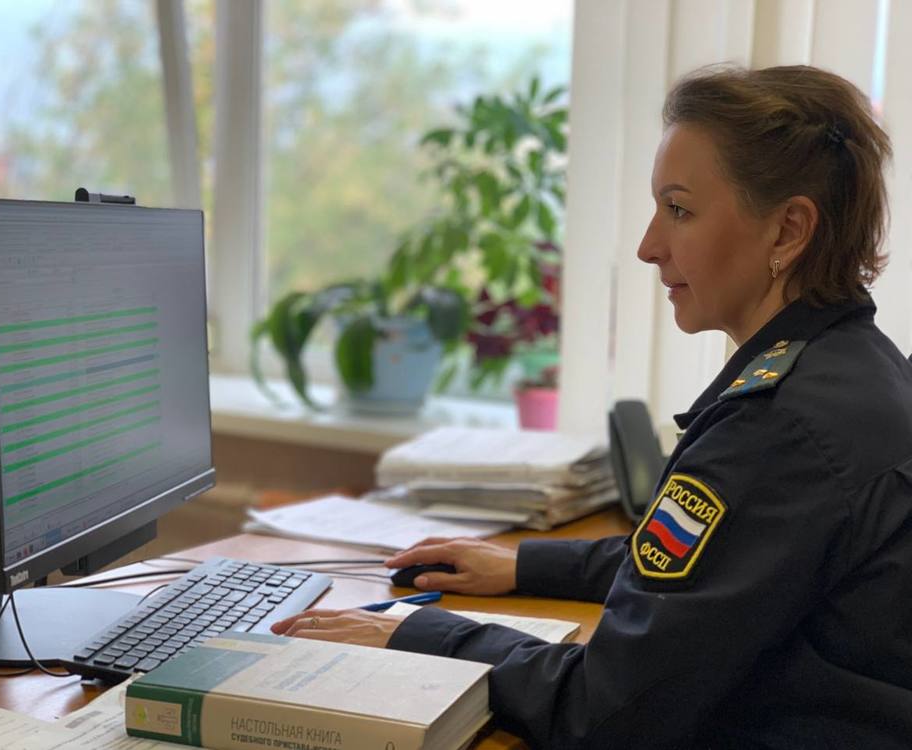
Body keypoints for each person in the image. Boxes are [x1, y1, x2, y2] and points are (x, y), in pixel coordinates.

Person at [273, 65, 912, 748]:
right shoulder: (859, 369)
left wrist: (421, 633)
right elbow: (725, 568)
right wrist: (526, 566)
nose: (648, 246)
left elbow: (603, 711)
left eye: (679, 210)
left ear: (788, 231)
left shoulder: (775, 428)